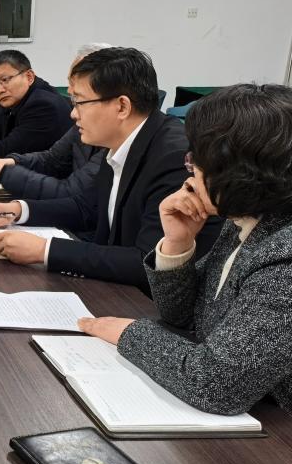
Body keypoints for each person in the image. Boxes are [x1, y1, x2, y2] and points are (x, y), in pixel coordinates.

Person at [78, 84, 292, 416]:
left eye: (198, 160)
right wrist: (177, 244)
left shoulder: (284, 255)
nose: (189, 170)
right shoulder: (247, 218)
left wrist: (128, 333)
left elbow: (217, 385)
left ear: (241, 174)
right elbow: (184, 317)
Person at [0, 47, 221, 292]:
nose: (73, 113)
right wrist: (19, 210)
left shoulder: (173, 157)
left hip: (150, 303)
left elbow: (147, 262)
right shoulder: (122, 141)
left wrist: (45, 250)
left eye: (79, 102)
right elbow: (87, 207)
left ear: (122, 107)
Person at [0, 44, 111, 200]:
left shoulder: (44, 104)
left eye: (79, 98)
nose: (69, 90)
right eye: (70, 82)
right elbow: (51, 159)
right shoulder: (82, 124)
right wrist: (7, 163)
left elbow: (73, 193)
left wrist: (4, 171)